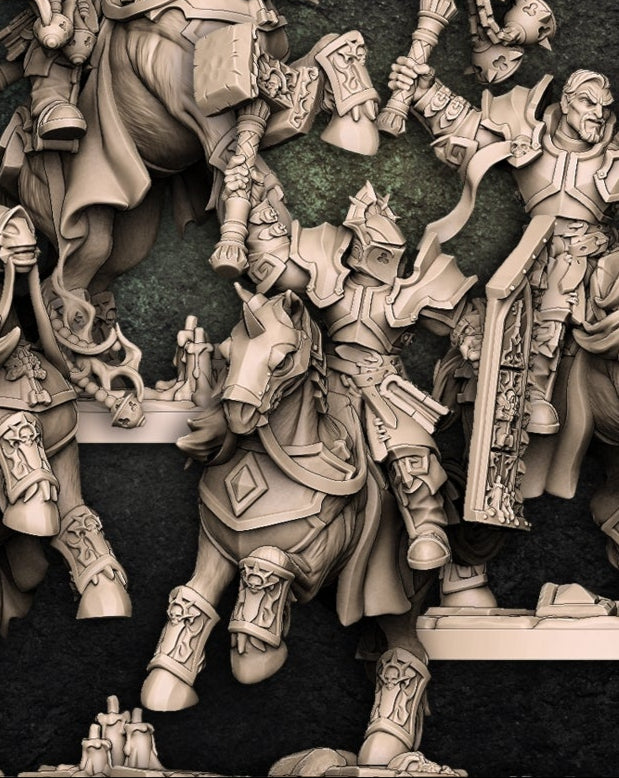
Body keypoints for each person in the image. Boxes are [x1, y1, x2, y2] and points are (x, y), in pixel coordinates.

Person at [236, 180, 476, 571]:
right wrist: (258, 208)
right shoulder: (328, 275)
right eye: (376, 250)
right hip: (325, 384)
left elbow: (461, 319)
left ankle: (426, 526)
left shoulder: (413, 289)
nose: (383, 261)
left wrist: (472, 339)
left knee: (408, 449)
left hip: (383, 389)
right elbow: (276, 267)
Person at [387, 63, 618, 434]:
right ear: (566, 102)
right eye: (588, 103)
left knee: (564, 279)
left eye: (604, 107)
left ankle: (536, 391)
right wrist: (424, 90)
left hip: (590, 263)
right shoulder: (529, 134)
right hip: (535, 252)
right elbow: (470, 128)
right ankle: (513, 385)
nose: (598, 114)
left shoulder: (613, 156)